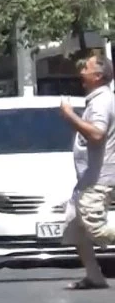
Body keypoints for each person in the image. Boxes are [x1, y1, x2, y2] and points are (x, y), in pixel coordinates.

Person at [59, 53, 115, 290]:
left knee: (96, 229)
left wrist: (69, 115)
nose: (82, 70)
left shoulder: (102, 101)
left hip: (98, 178)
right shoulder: (97, 100)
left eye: (87, 67)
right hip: (86, 178)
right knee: (74, 226)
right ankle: (94, 276)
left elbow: (96, 134)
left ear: (98, 75)